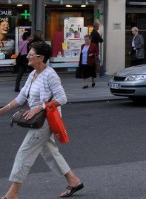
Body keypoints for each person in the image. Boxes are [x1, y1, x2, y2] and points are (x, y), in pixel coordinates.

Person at [0, 41, 84, 199]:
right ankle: (73, 181)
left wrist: (40, 107)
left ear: (41, 57)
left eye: (31, 54)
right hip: (37, 120)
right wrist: (3, 110)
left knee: (24, 153)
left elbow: (62, 98)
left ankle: (13, 193)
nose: (28, 57)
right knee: (49, 153)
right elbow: (21, 97)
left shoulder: (50, 74)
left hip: (44, 121)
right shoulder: (32, 74)